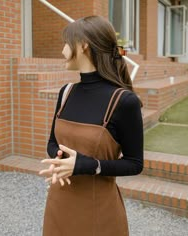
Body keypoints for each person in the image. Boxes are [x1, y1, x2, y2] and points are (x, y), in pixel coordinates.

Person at [39, 15, 143, 236]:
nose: (62, 51)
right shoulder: (66, 92)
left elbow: (135, 164)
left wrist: (88, 165)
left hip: (98, 212)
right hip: (59, 202)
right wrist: (60, 160)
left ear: (84, 44)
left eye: (66, 43)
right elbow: (52, 142)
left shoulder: (124, 101)